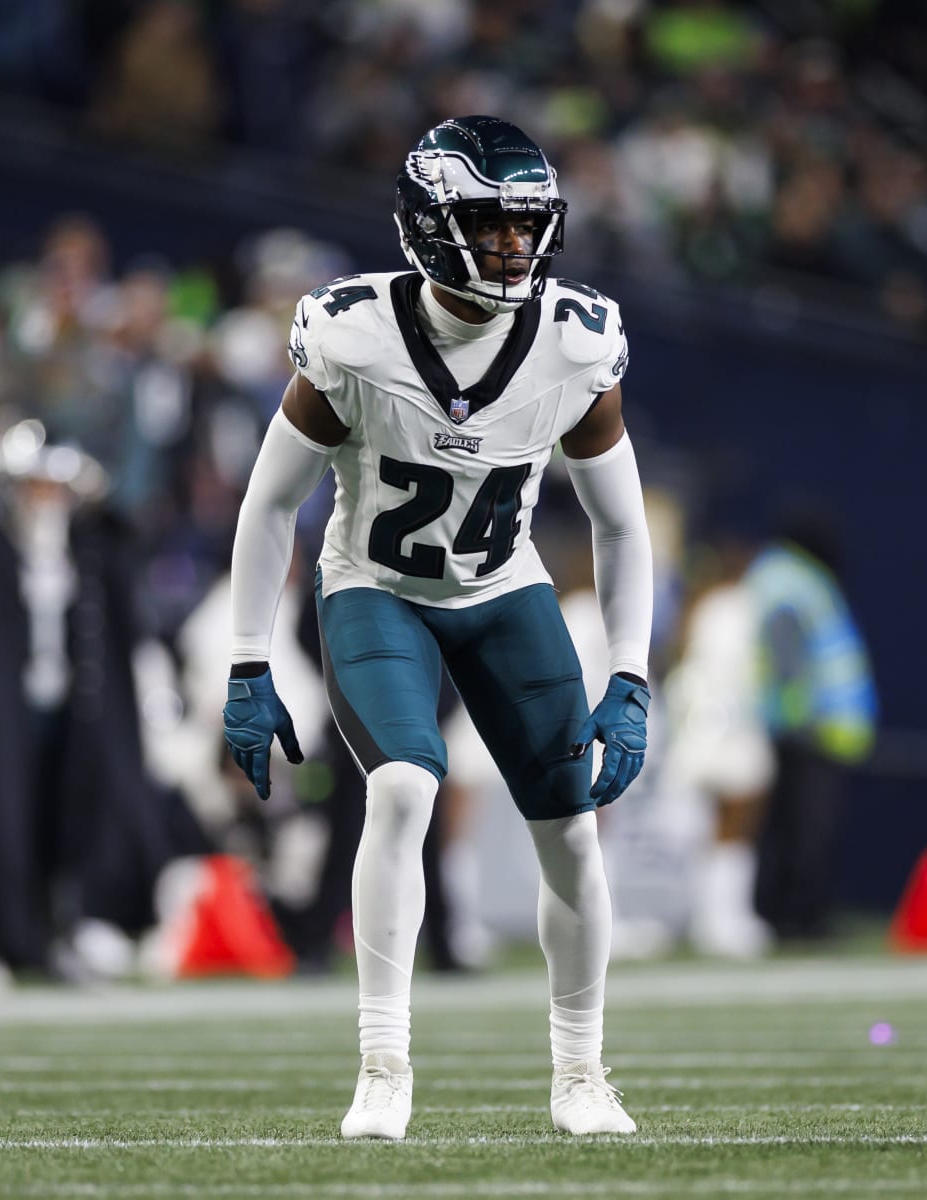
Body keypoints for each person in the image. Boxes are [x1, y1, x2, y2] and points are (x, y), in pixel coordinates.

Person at [222, 116, 651, 1139]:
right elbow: (267, 501)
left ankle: (581, 1073)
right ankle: (383, 1063)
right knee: (406, 787)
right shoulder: (355, 336)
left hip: (504, 592)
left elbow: (622, 522)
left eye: (525, 228)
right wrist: (247, 661)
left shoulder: (574, 341)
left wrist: (630, 673)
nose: (513, 247)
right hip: (376, 589)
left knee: (571, 836)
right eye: (489, 226)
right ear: (427, 221)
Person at [745, 509, 876, 942]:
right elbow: (787, 655)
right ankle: (798, 919)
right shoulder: (793, 580)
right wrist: (796, 717)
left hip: (806, 727)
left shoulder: (782, 576)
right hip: (809, 730)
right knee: (806, 830)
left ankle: (789, 915)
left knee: (793, 828)